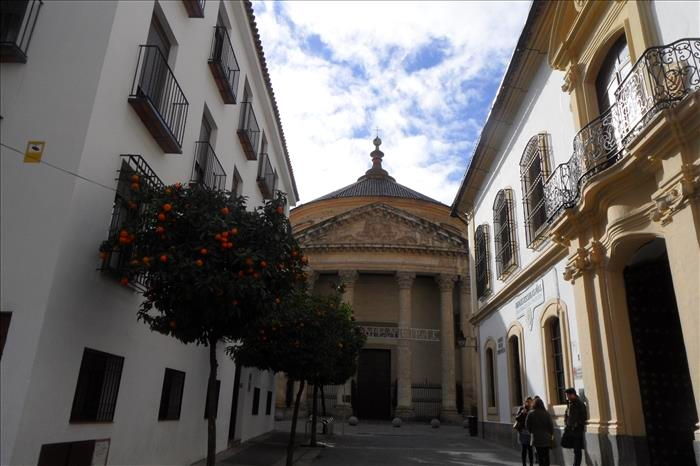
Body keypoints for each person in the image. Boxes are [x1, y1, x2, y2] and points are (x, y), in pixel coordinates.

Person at [526, 398, 554, 466]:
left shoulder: (531, 413)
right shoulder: (546, 413)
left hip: (536, 438)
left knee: (540, 457)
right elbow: (550, 425)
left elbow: (527, 425)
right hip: (546, 438)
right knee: (546, 456)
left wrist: (531, 432)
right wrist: (551, 434)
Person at [563, 388, 588, 466]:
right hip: (570, 430)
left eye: (568, 395)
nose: (567, 397)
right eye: (566, 395)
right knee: (574, 449)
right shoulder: (570, 403)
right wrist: (566, 422)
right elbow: (567, 414)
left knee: (577, 450)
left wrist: (576, 424)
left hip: (577, 430)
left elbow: (583, 417)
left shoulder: (579, 404)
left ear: (572, 394)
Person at [514, 397, 534, 466]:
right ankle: (524, 464)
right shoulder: (521, 409)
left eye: (530, 402)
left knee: (530, 449)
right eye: (527, 401)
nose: (528, 403)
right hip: (523, 431)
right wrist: (522, 413)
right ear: (525, 402)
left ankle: (531, 464)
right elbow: (517, 418)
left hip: (530, 432)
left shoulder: (532, 409)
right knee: (524, 449)